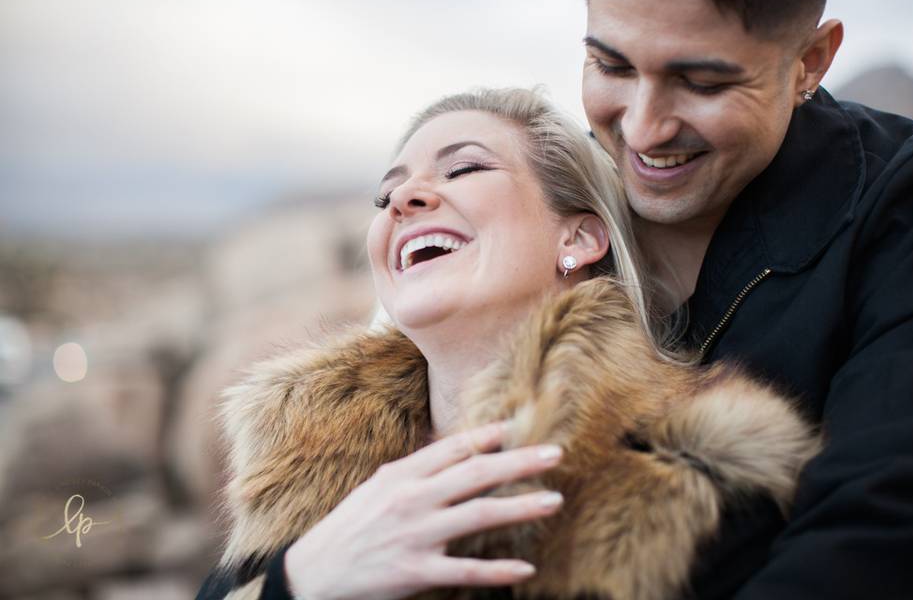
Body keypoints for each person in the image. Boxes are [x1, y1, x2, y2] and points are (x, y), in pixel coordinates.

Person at [195, 88, 820, 600]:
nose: (403, 202)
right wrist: (299, 582)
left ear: (577, 238)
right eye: (385, 196)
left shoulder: (691, 472)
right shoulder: (301, 466)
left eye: (464, 168)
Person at [579, 0, 913, 598]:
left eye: (700, 82)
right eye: (612, 67)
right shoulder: (544, 192)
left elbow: (889, 539)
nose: (643, 130)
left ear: (810, 61)